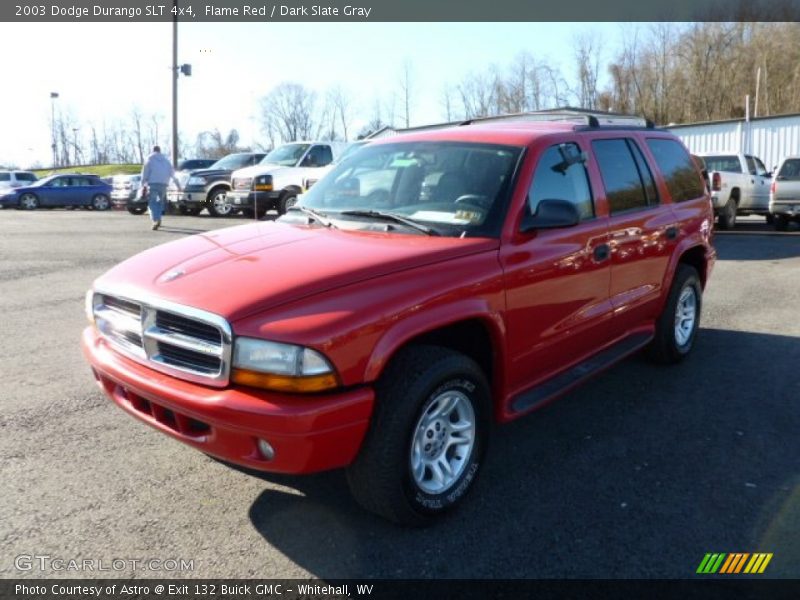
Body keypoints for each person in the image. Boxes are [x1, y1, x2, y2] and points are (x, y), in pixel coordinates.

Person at [140, 146, 181, 230]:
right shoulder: (166, 161)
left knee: (152, 203)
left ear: (153, 150)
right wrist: (178, 185)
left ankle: (155, 219)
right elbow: (172, 174)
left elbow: (145, 173)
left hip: (153, 183)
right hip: (164, 184)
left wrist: (142, 184)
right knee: (160, 202)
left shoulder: (149, 159)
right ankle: (158, 218)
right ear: (160, 151)